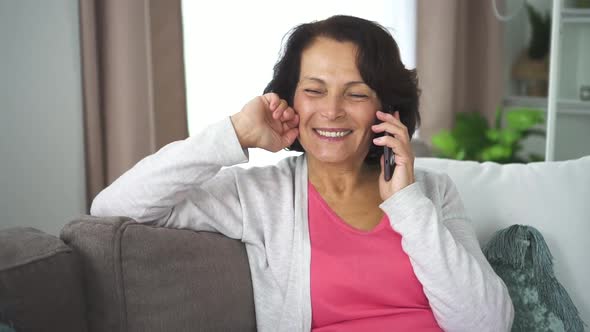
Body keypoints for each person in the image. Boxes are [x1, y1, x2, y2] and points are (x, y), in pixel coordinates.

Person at [91, 15, 514, 332]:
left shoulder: (432, 194)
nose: (331, 110)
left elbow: (488, 324)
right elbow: (113, 205)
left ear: (386, 111)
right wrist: (235, 132)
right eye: (314, 90)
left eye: (356, 93)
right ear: (290, 99)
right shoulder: (260, 197)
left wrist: (406, 203)